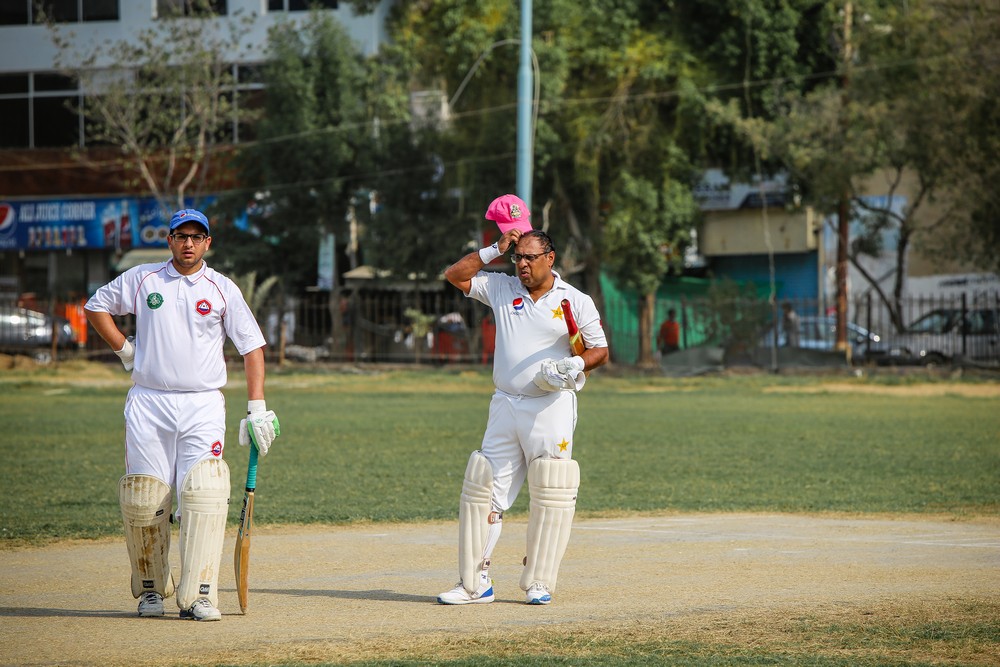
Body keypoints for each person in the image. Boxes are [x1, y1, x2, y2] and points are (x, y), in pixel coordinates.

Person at [85, 208, 280, 622]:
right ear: (170, 240)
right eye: (180, 235)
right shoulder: (144, 279)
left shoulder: (222, 288)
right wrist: (125, 351)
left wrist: (257, 408)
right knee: (144, 497)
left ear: (208, 242)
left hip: (202, 403)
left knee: (205, 493)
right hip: (149, 402)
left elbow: (252, 347)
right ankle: (151, 590)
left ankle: (199, 595)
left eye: (196, 236)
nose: (188, 243)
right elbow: (96, 306)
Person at [437, 194, 609, 606]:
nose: (523, 265)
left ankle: (538, 581)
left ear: (550, 258)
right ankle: (474, 583)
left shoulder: (574, 299)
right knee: (483, 490)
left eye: (530, 258)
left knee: (551, 489)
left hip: (549, 407)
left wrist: (573, 366)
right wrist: (494, 250)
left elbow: (599, 350)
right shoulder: (502, 288)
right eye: (518, 258)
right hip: (505, 404)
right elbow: (455, 276)